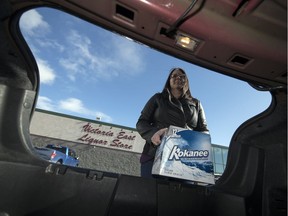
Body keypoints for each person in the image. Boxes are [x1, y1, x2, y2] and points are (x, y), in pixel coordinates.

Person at [136, 67, 209, 178]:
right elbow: (141, 122)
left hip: (186, 160)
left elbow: (204, 130)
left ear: (186, 81)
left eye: (182, 76)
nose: (178, 77)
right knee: (150, 193)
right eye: (174, 75)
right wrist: (153, 134)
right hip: (154, 155)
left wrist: (197, 143)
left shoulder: (196, 104)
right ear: (169, 80)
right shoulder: (158, 98)